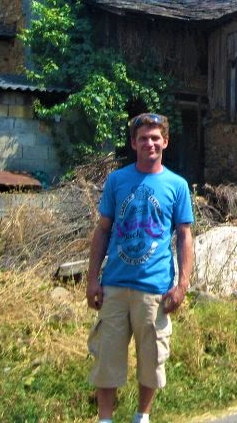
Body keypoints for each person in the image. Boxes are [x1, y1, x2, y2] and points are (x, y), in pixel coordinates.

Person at [86, 113, 194, 423]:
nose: (150, 143)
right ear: (133, 143)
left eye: (155, 137)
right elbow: (103, 229)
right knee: (107, 358)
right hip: (115, 286)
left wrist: (182, 285)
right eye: (143, 138)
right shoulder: (117, 180)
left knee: (152, 359)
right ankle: (104, 419)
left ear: (166, 141)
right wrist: (92, 280)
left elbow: (185, 236)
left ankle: (141, 416)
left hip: (154, 289)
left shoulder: (177, 185)